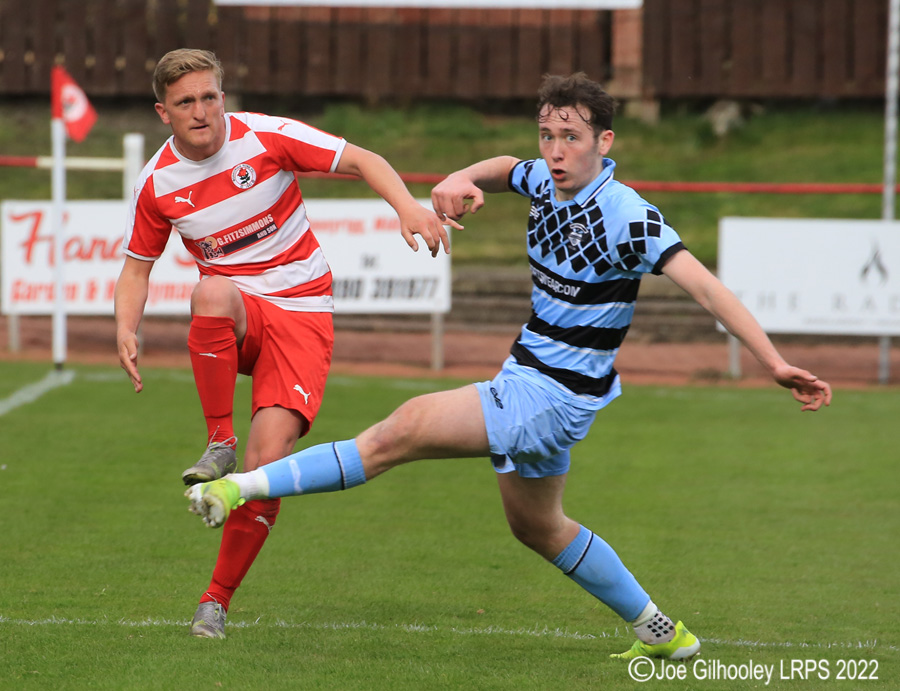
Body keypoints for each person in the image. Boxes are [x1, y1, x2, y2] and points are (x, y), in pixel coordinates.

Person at [184, 72, 832, 658]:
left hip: (550, 396)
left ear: (605, 141)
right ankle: (663, 630)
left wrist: (773, 361)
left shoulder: (626, 214)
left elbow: (708, 288)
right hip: (531, 380)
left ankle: (238, 486)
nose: (554, 150)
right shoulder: (546, 180)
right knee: (538, 526)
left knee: (394, 434)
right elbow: (504, 167)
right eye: (547, 134)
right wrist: (459, 178)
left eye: (570, 137)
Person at [115, 48, 452, 639]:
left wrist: (407, 208)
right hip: (241, 314)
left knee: (267, 467)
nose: (201, 111)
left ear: (224, 96)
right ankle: (218, 438)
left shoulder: (267, 137)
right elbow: (137, 268)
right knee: (212, 293)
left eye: (209, 96)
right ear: (162, 112)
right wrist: (125, 327)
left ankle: (214, 601)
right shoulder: (157, 183)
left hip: (301, 317)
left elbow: (362, 159)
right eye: (185, 102)